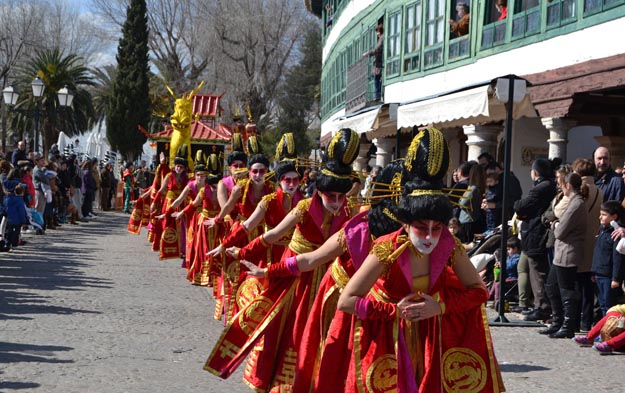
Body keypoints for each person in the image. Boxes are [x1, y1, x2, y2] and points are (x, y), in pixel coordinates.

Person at [336, 127, 504, 392]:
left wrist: (441, 308)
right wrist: (393, 311)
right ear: (405, 223)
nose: (428, 237)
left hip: (433, 342)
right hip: (388, 342)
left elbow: (479, 292)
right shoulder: (385, 249)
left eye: (436, 228)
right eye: (420, 227)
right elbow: (346, 301)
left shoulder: (450, 247)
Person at [204, 128, 359, 392]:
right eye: (330, 196)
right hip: (295, 274)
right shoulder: (300, 208)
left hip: (330, 279)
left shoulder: (350, 210)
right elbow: (270, 234)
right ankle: (283, 378)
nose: (336, 202)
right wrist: (234, 249)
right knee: (288, 328)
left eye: (340, 197)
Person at [541, 173, 588, 339]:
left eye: (562, 184)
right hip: (561, 251)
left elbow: (560, 231)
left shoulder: (576, 204)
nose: (560, 187)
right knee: (551, 285)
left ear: (568, 185)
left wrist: (554, 223)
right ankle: (558, 321)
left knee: (566, 289)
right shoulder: (571, 202)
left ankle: (568, 325)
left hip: (568, 252)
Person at [514, 158, 557, 322]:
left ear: (535, 172)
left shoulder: (541, 188)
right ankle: (539, 305)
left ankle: (542, 307)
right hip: (537, 232)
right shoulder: (548, 186)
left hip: (536, 233)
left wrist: (521, 211)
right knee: (535, 269)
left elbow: (520, 206)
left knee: (537, 271)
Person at [573, 158, 603, 331]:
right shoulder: (600, 192)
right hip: (593, 241)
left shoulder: (578, 192)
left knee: (576, 283)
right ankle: (587, 320)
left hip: (577, 240)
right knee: (588, 285)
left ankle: (576, 320)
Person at [592, 200, 625, 316]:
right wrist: (593, 271)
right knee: (602, 304)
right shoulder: (602, 229)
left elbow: (617, 258)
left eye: (604, 215)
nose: (600, 217)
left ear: (614, 217)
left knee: (609, 306)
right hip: (599, 273)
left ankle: (609, 331)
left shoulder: (616, 233)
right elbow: (597, 251)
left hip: (608, 276)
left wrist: (615, 278)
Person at [490, 237, 520, 308]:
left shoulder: (517, 257)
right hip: (508, 277)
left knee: (498, 284)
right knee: (495, 281)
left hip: (513, 279)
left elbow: (511, 266)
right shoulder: (509, 257)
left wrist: (502, 265)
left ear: (515, 249)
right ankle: (490, 295)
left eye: (509, 249)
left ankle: (497, 300)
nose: (507, 251)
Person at [363, 23, 384, 101]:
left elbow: (377, 50)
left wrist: (368, 53)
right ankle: (377, 95)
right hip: (378, 63)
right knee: (375, 78)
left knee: (376, 79)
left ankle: (377, 96)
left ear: (379, 31)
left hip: (379, 64)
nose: (377, 34)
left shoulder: (382, 38)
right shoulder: (381, 38)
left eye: (377, 32)